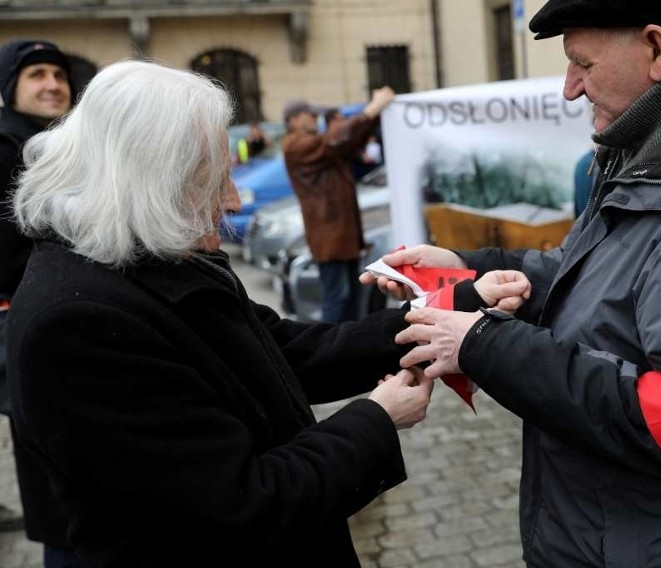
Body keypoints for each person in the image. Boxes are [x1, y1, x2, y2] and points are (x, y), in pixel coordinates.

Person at [363, 1, 661, 565]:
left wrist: (483, 344)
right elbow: (594, 278)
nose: (570, 89)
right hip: (611, 532)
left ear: (657, 49)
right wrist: (467, 266)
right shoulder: (648, 145)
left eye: (582, 64)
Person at [4, 60, 439, 568]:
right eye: (212, 180)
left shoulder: (143, 256)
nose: (231, 201)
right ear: (148, 179)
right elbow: (243, 505)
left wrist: (436, 315)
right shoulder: (78, 326)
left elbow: (285, 351)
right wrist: (377, 419)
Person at [0, 38, 73, 556]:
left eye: (59, 74)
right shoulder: (5, 147)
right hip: (36, 330)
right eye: (36, 74)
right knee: (60, 487)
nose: (52, 84)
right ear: (10, 88)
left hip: (78, 326)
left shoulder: (68, 144)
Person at [282, 88, 394, 323]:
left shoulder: (314, 146)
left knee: (349, 300)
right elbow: (335, 140)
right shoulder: (295, 145)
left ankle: (345, 349)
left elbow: (346, 141)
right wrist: (371, 110)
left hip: (340, 236)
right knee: (337, 299)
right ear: (293, 120)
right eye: (309, 114)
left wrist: (369, 119)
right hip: (330, 237)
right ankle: (332, 353)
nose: (314, 118)